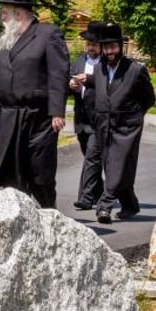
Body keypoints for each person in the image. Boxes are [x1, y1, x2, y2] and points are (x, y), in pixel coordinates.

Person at [0, 0, 70, 209]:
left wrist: (57, 111)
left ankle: (49, 214)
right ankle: (18, 218)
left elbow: (58, 74)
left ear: (18, 14)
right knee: (11, 172)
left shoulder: (48, 34)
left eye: (5, 13)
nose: (1, 17)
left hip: (37, 117)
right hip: (8, 116)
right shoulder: (6, 40)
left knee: (39, 171)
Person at [87, 22, 156, 224]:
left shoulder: (135, 71)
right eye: (106, 48)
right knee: (113, 166)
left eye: (113, 47)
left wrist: (133, 115)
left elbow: (149, 98)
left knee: (117, 165)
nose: (110, 52)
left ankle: (104, 207)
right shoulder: (99, 69)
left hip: (127, 128)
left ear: (121, 46)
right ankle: (130, 205)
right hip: (104, 126)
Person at [68, 21, 104, 210]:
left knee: (92, 157)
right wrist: (71, 85)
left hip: (99, 120)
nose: (90, 47)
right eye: (88, 44)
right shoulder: (79, 61)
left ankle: (86, 198)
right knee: (89, 157)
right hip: (81, 118)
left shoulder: (106, 65)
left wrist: (88, 80)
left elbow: (108, 85)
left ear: (101, 46)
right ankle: (102, 192)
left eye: (94, 44)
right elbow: (69, 79)